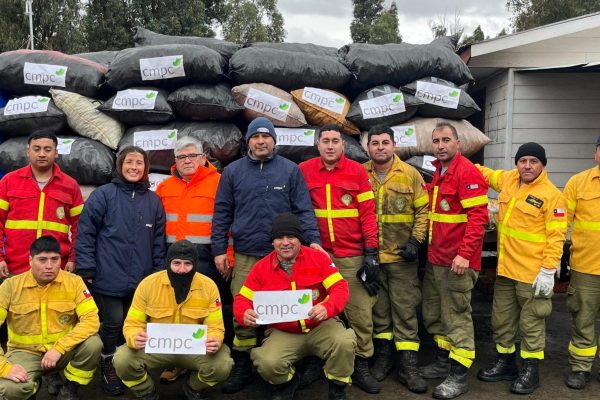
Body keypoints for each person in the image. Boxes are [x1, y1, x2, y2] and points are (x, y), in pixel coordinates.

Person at [211, 117, 322, 393]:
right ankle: (243, 365)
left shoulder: (290, 170)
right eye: (255, 137)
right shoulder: (233, 172)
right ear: (248, 141)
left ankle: (285, 360)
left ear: (274, 141)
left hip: (285, 255)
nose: (261, 141)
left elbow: (303, 210)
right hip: (247, 253)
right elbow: (222, 213)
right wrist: (218, 250)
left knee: (290, 306)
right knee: (243, 309)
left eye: (266, 137)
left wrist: (314, 242)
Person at [234, 213, 356, 400]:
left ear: (299, 240)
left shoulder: (319, 259)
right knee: (267, 362)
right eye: (279, 238)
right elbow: (242, 299)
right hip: (284, 332)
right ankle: (289, 382)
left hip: (320, 326)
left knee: (344, 341)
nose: (285, 242)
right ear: (272, 242)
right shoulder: (261, 267)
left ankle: (337, 387)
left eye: (291, 237)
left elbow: (340, 288)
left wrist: (327, 307)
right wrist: (244, 313)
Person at [476, 142, 567, 394]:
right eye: (523, 160)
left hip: (533, 275)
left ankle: (530, 370)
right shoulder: (508, 180)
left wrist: (549, 270)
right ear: (516, 163)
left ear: (542, 165)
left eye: (533, 161)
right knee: (501, 321)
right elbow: (485, 174)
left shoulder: (552, 196)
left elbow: (556, 236)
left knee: (532, 324)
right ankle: (505, 363)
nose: (527, 166)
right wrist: (463, 162)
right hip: (506, 271)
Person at [75, 146, 166, 395]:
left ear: (146, 168)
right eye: (129, 162)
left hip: (141, 278)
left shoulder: (153, 201)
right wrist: (86, 266)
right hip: (107, 274)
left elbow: (158, 241)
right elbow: (86, 233)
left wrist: (158, 274)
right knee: (113, 322)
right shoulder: (103, 195)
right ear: (120, 166)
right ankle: (108, 362)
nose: (134, 167)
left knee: (133, 324)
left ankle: (127, 366)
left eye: (139, 163)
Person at [299, 124, 380, 394]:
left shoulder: (357, 171)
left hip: (351, 254)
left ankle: (362, 363)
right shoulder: (304, 171)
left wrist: (371, 252)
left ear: (343, 145)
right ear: (318, 145)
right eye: (326, 141)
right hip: (317, 255)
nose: (331, 145)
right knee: (315, 309)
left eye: (336, 141)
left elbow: (368, 214)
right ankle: (316, 361)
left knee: (360, 312)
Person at [113, 240, 233, 400]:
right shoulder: (148, 285)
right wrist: (134, 336)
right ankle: (147, 392)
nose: (182, 270)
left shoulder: (209, 287)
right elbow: (133, 323)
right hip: (156, 348)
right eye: (176, 263)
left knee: (223, 364)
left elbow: (215, 326)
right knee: (122, 360)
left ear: (195, 264)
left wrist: (215, 340)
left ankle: (193, 387)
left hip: (193, 349)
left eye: (187, 264)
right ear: (168, 262)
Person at [420, 122, 488, 399]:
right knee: (435, 316)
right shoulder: (439, 172)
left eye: (446, 139)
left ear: (458, 143)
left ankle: (458, 376)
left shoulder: (466, 172)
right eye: (436, 140)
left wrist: (465, 254)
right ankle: (442, 361)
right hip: (437, 259)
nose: (440, 145)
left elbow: (478, 218)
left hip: (457, 263)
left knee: (457, 318)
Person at [364, 125, 429, 393]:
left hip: (403, 258)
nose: (380, 147)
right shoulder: (360, 174)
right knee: (379, 312)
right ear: (368, 147)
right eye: (375, 143)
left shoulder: (411, 175)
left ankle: (408, 365)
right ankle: (383, 358)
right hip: (372, 259)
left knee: (405, 311)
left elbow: (423, 210)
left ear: (394, 145)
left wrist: (415, 241)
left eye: (385, 142)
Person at [0, 236, 101, 400]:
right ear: (30, 260)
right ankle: (31, 386)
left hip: (63, 351)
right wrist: (4, 368)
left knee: (94, 344)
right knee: (10, 389)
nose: (49, 266)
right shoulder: (10, 286)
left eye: (55, 259)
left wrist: (59, 348)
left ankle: (70, 387)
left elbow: (91, 320)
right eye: (42, 260)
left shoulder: (74, 282)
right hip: (25, 353)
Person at [0, 131, 84, 276]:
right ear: (28, 152)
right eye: (36, 149)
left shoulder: (70, 185)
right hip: (16, 267)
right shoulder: (9, 181)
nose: (42, 154)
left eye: (48, 149)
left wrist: (73, 258)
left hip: (56, 269)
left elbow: (80, 227)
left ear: (56, 153)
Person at [563, 136, 600, 390]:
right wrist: (554, 254)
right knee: (583, 319)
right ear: (596, 152)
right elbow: (560, 222)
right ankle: (580, 367)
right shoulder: (578, 182)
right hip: (586, 267)